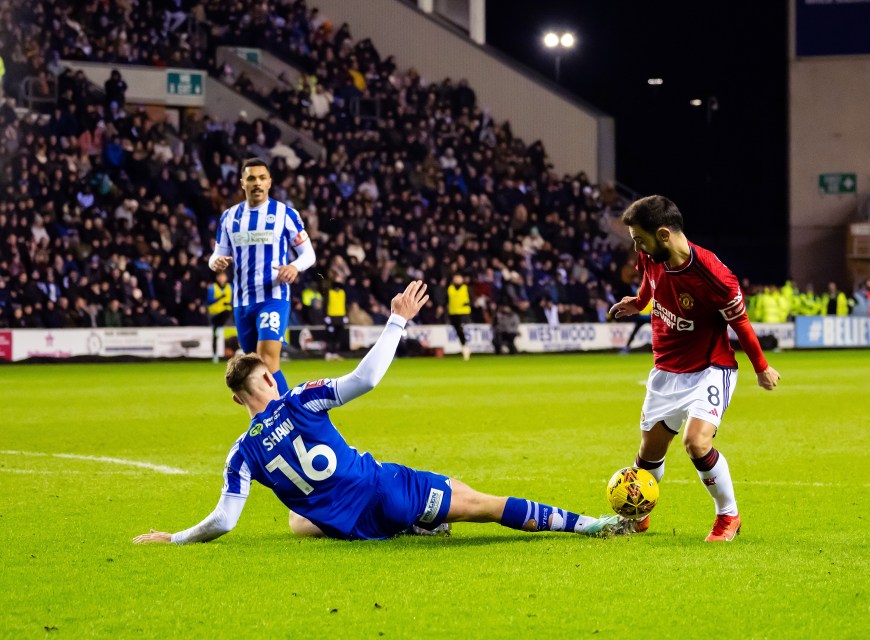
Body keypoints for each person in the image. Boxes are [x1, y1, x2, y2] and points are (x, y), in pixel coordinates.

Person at [133, 281, 639, 545]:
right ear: (267, 378)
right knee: (481, 502)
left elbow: (223, 520)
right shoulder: (299, 398)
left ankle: (415, 524)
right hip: (385, 491)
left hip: (353, 525)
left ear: (235, 400)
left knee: (296, 518)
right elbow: (365, 379)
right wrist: (396, 320)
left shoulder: (241, 454)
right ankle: (590, 526)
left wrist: (173, 537)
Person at [609, 196, 781, 543]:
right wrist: (639, 303)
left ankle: (728, 516)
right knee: (650, 452)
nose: (636, 247)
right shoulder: (650, 254)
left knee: (695, 443)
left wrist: (761, 368)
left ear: (663, 234)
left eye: (639, 239)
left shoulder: (714, 276)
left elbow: (741, 324)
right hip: (666, 368)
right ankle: (640, 510)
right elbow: (650, 282)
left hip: (709, 367)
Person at [209, 158, 316, 394]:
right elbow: (217, 254)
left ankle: (290, 416)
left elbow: (308, 255)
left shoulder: (285, 214)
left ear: (269, 182)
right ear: (242, 183)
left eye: (261, 178)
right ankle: (270, 419)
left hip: (272, 297)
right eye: (251, 178)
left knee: (268, 360)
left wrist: (295, 267)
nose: (256, 183)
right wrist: (215, 262)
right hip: (242, 301)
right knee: (253, 369)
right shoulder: (229, 217)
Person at [207, 270, 233, 362]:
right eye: (220, 276)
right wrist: (219, 298)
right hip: (215, 314)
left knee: (228, 311)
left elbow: (233, 299)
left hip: (226, 315)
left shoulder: (230, 287)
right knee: (215, 335)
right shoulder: (213, 288)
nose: (222, 278)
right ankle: (215, 355)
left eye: (223, 276)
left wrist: (230, 303)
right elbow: (209, 301)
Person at [446, 273, 472, 360]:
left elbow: (472, 298)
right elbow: (446, 299)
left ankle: (465, 347)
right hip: (453, 313)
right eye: (456, 278)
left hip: (464, 313)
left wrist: (468, 303)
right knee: (458, 331)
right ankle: (464, 346)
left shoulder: (466, 288)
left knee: (460, 329)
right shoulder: (450, 288)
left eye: (459, 278)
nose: (457, 279)